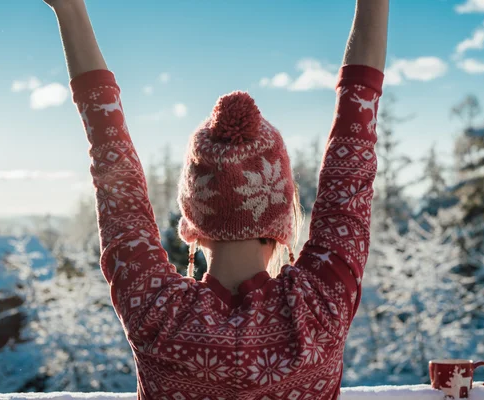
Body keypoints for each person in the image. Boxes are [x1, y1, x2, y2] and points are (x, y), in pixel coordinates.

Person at [44, 0, 388, 398]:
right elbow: (354, 141)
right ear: (282, 210)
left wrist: (69, 10)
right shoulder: (320, 309)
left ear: (193, 220)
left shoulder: (155, 314)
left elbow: (110, 154)